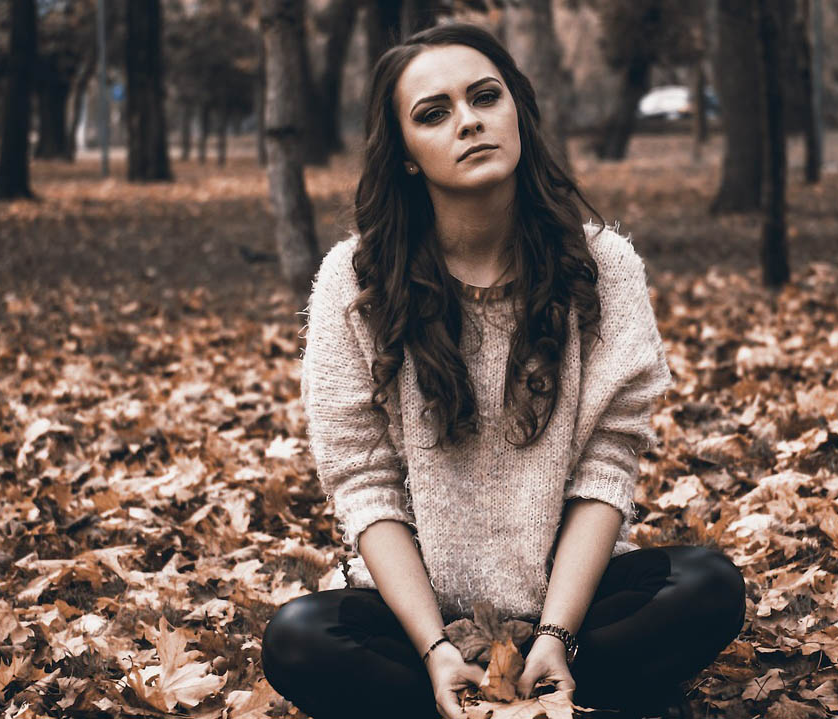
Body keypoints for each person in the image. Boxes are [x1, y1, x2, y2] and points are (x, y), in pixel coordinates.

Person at [261, 22, 746, 719]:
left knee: (710, 585)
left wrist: (554, 633)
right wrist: (436, 648)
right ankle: (491, 695)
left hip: (578, 609)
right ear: (404, 154)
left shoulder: (605, 268)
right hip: (419, 623)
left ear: (517, 109)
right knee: (297, 639)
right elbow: (364, 487)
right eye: (434, 113)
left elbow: (606, 469)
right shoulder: (354, 282)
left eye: (485, 97)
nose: (468, 122)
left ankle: (540, 685)